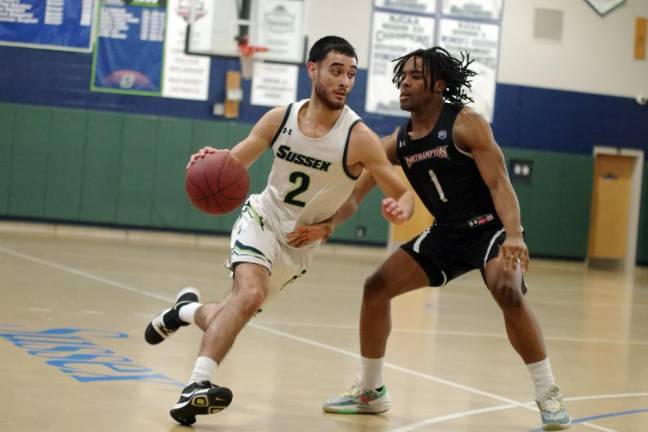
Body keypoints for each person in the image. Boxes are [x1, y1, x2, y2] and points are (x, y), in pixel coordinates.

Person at [143, 35, 415, 426]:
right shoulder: (280, 119)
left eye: (351, 74)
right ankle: (197, 385)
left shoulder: (358, 138)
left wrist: (399, 208)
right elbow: (232, 165)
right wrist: (210, 160)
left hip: (297, 247)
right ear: (313, 69)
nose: (344, 81)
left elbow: (400, 190)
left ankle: (184, 310)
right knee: (249, 293)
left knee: (229, 313)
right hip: (262, 219)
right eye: (336, 70)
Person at [317, 47, 571, 431]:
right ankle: (370, 392)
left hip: (490, 230)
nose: (404, 82)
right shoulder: (398, 141)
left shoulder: (466, 124)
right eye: (401, 76)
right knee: (376, 287)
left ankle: (547, 391)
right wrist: (328, 223)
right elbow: (356, 191)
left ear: (438, 84)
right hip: (446, 235)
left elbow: (500, 183)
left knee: (507, 290)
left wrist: (515, 234)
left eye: (414, 76)